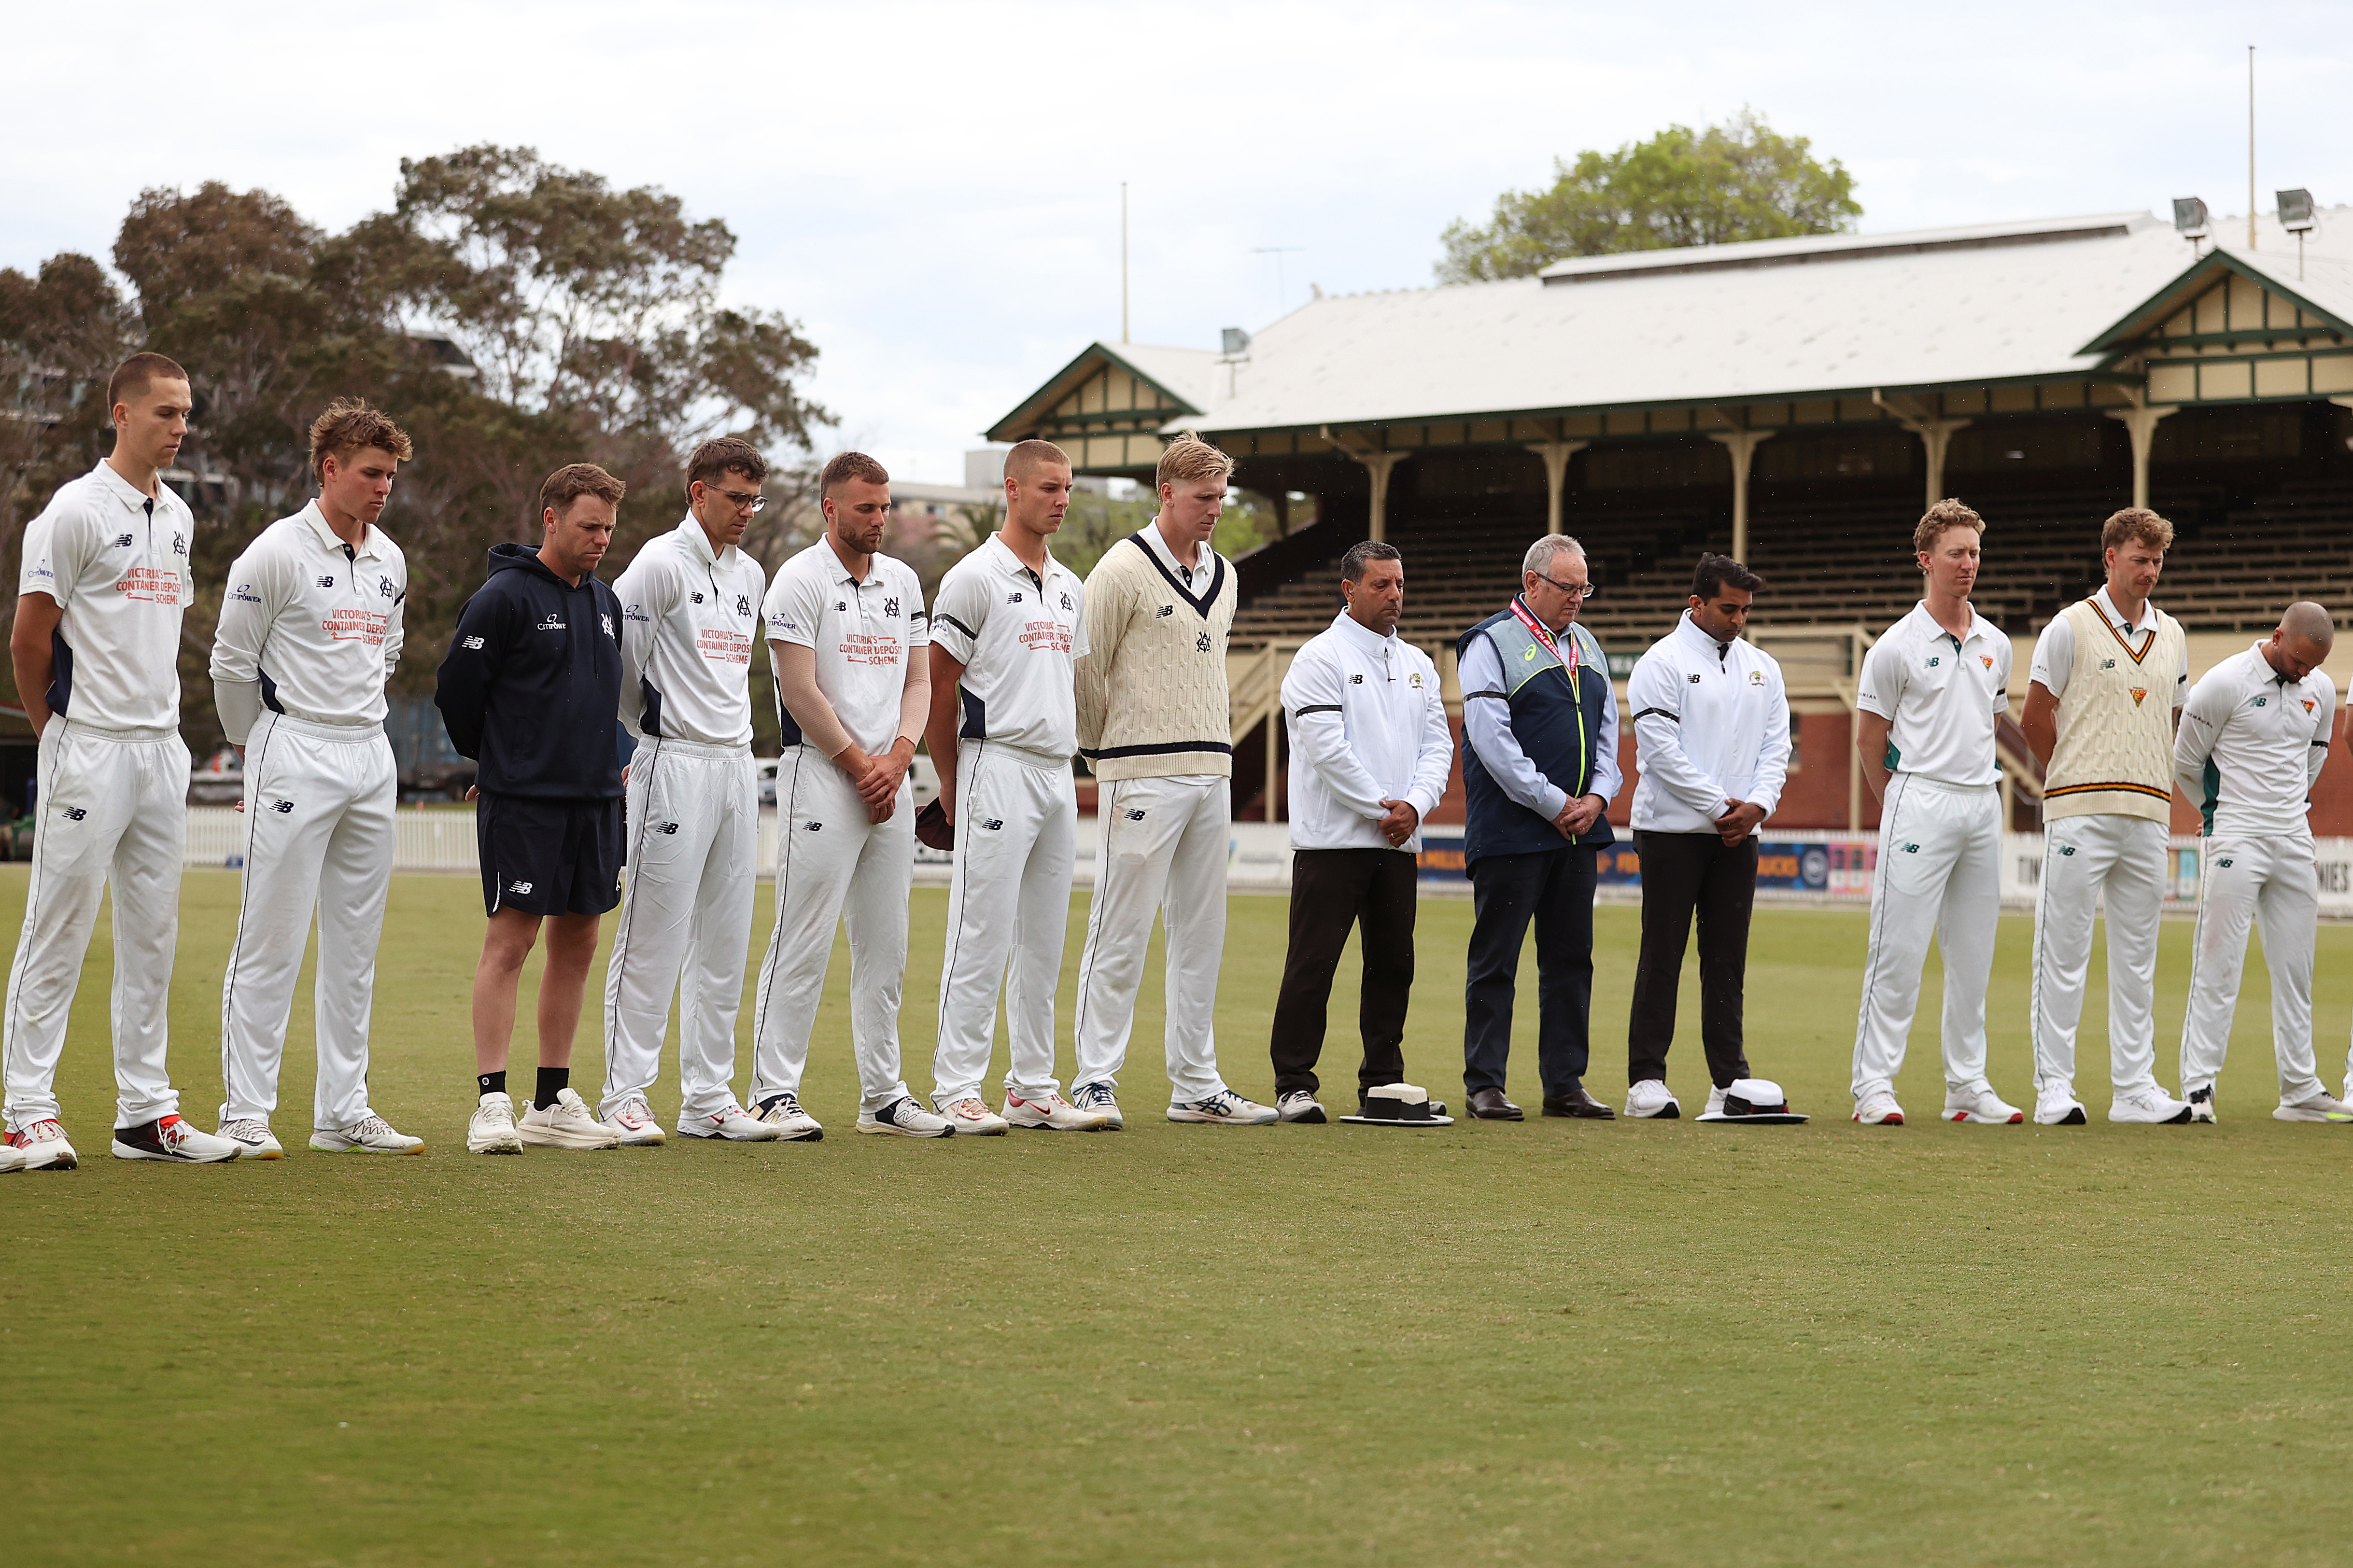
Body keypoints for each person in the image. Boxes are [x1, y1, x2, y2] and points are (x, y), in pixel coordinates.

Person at [0, 352, 239, 1168]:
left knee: (153, 933)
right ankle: (23, 1111)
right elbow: (30, 642)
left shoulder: (178, 517)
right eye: (166, 413)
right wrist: (57, 735)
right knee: (57, 926)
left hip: (159, 750)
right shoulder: (71, 513)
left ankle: (145, 1114)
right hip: (88, 745)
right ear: (122, 413)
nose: (180, 428)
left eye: (186, 414)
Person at [211, 399, 421, 1156]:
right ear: (329, 470)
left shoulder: (391, 558)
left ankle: (342, 1112)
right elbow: (231, 666)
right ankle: (245, 1111)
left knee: (355, 944)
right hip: (293, 745)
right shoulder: (275, 552)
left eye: (391, 476)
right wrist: (257, 751)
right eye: (371, 474)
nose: (383, 488)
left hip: (371, 753)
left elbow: (388, 654)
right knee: (271, 938)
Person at [745, 453, 953, 1138]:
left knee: (886, 945)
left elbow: (919, 683)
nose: (879, 519)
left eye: (885, 506)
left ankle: (884, 1098)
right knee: (802, 939)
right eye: (866, 508)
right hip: (823, 776)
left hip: (888, 778)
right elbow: (799, 690)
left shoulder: (902, 579)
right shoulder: (799, 579)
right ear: (831, 509)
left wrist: (898, 758)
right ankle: (774, 1093)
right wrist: (861, 764)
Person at [1069, 433, 1273, 1128]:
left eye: (1221, 497)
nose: (1215, 509)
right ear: (1166, 493)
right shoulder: (1120, 569)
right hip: (1141, 772)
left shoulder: (1227, 574)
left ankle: (1196, 1084)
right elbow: (1085, 670)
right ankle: (1094, 1079)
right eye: (1203, 497)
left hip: (1212, 768)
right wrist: (1104, 755)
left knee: (1200, 935)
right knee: (1120, 930)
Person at [435, 463, 631, 1154]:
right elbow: (457, 692)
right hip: (525, 802)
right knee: (511, 942)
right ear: (551, 519)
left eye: (608, 527)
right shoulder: (503, 596)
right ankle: (492, 1101)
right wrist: (495, 762)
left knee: (578, 943)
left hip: (597, 800)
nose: (601, 538)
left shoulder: (606, 603)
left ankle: (550, 1101)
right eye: (589, 526)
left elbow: (611, 699)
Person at [925, 438, 1107, 1133]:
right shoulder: (973, 577)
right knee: (980, 931)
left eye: (1067, 489)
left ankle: (1033, 1086)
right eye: (1048, 489)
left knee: (1043, 938)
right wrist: (950, 782)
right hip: (993, 764)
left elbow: (1068, 683)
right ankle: (954, 1087)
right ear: (1012, 489)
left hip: (1057, 770)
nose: (1060, 500)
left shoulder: (1069, 585)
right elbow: (941, 690)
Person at [601, 437, 777, 1144]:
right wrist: (644, 738)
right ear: (697, 492)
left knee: (726, 937)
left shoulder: (751, 574)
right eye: (735, 498)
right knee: (654, 934)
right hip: (670, 760)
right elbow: (619, 666)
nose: (746, 512)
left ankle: (708, 1097)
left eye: (753, 500)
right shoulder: (658, 563)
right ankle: (625, 1095)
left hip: (736, 765)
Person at [1266, 541, 1452, 1123]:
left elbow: (1438, 746)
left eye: (1399, 583)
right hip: (1333, 840)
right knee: (1314, 963)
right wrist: (1384, 809)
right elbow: (1328, 751)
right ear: (1349, 589)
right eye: (1381, 585)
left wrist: (1415, 807)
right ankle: (1294, 1082)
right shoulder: (1317, 658)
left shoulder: (1420, 663)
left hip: (1398, 842)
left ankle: (1382, 1081)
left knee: (1394, 964)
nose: (1395, 594)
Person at [2017, 508, 2193, 1127]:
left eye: (2157, 560)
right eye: (2139, 558)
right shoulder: (2069, 626)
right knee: (2063, 951)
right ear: (2109, 558)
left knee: (2138, 955)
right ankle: (2054, 1086)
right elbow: (2035, 717)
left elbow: (2173, 719)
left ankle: (2134, 1089)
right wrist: (2067, 775)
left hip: (2147, 813)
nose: (2149, 571)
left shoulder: (2172, 634)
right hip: (2080, 811)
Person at [1848, 499, 2020, 1128]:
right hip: (1919, 796)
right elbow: (1869, 739)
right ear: (1927, 560)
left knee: (1973, 956)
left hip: (1981, 803)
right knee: (1897, 951)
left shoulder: (1995, 644)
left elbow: (1995, 721)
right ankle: (1873, 1087)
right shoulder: (1894, 646)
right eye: (1956, 552)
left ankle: (1966, 1088)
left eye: (1974, 552)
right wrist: (1894, 804)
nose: (1968, 563)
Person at [1621, 553, 1793, 1118]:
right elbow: (1660, 752)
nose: (1738, 618)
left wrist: (1758, 805)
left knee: (1726, 959)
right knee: (1663, 953)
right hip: (1671, 831)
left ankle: (1728, 1081)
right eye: (1728, 607)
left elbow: (1776, 747)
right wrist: (1724, 806)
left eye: (1745, 609)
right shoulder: (1659, 662)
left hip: (1738, 834)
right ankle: (1645, 1078)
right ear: (1696, 603)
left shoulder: (1762, 666)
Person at [1456, 534, 1620, 1121]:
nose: (1577, 598)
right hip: (1512, 830)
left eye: (1584, 588)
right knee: (1496, 960)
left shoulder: (1590, 647)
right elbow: (1490, 738)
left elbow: (1609, 735)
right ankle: (1485, 1083)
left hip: (1579, 832)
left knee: (1571, 961)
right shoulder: (1490, 642)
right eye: (1567, 587)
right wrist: (1554, 801)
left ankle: (1565, 1081)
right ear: (1532, 582)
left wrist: (1600, 794)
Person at [2173, 602, 2351, 1123]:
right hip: (2236, 834)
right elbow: (2186, 761)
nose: (2303, 672)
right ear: (2277, 635)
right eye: (2297, 660)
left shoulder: (2318, 689)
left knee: (2297, 968)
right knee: (2218, 962)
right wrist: (2218, 814)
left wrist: (2287, 807)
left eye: (2313, 665)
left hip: (2293, 837)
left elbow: (2312, 757)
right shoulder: (2222, 682)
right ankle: (2197, 1086)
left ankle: (2299, 1089)